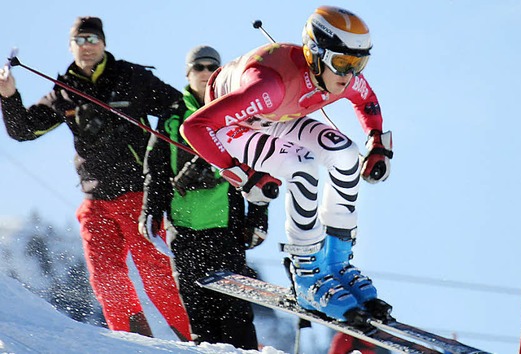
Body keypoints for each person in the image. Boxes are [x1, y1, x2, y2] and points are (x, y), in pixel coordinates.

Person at [180, 6, 394, 324]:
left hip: (277, 115)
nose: (348, 75)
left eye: (358, 64)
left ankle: (336, 263)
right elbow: (195, 126)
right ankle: (306, 274)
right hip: (235, 123)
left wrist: (376, 142)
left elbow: (367, 100)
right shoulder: (268, 86)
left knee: (346, 153)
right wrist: (241, 174)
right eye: (342, 63)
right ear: (316, 54)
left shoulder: (341, 78)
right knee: (302, 165)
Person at [0, 17, 192, 340]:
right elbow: (24, 129)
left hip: (137, 193)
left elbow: (177, 107)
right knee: (105, 276)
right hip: (96, 200)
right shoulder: (65, 91)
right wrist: (8, 96)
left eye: (93, 39)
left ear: (103, 43)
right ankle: (134, 343)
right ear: (71, 46)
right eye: (80, 40)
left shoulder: (131, 77)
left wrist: (164, 151)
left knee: (154, 271)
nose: (87, 46)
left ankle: (194, 337)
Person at [138, 45, 268, 348]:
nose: (206, 73)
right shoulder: (171, 117)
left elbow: (259, 167)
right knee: (199, 317)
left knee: (235, 316)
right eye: (199, 67)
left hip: (226, 229)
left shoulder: (236, 113)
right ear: (188, 73)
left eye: (213, 67)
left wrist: (258, 217)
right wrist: (151, 210)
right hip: (184, 231)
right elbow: (155, 169)